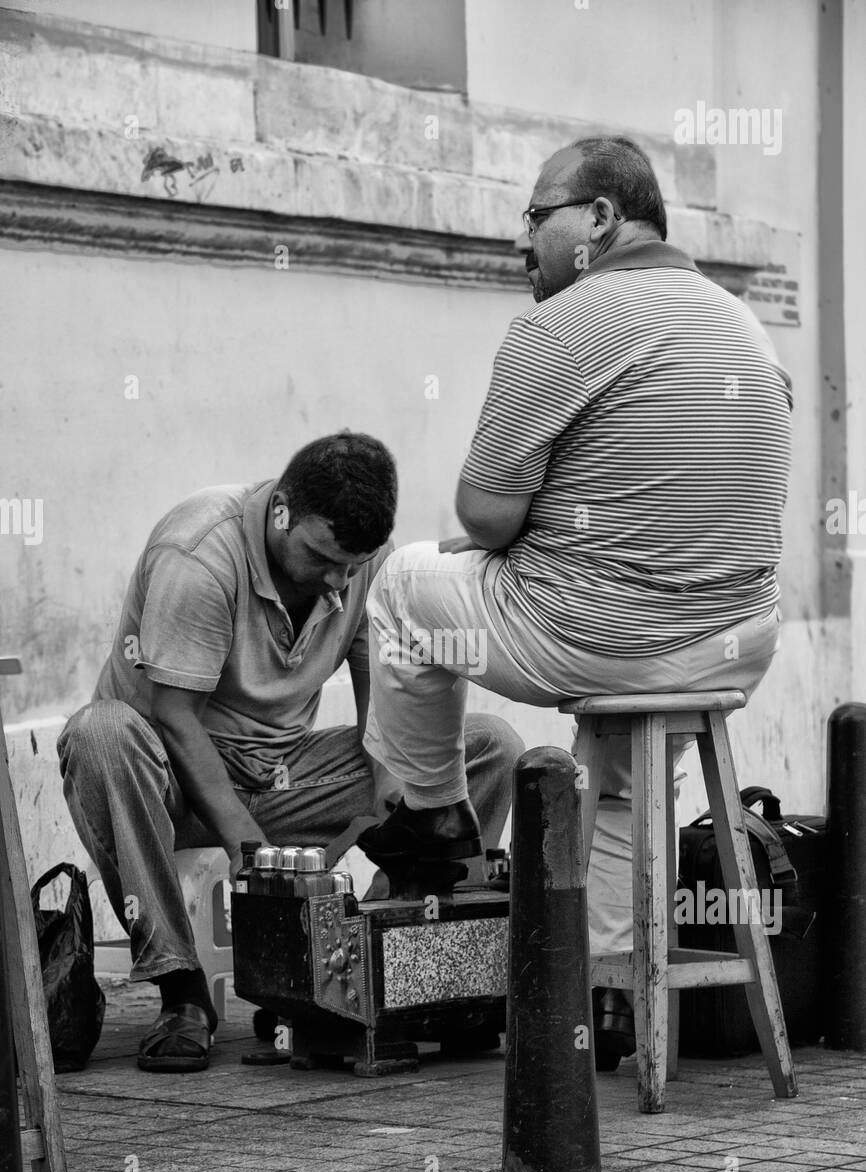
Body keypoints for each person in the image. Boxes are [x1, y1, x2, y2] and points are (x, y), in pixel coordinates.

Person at [358, 137, 793, 1068]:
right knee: (623, 780)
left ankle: (435, 818)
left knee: (400, 583)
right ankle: (608, 1013)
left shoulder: (562, 325)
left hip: (591, 635)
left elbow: (485, 513)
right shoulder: (744, 325)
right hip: (730, 645)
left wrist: (523, 527)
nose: (523, 241)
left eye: (535, 216)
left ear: (599, 218)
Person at [57, 432, 522, 1071]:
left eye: (351, 567)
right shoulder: (200, 554)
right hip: (169, 781)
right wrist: (257, 858)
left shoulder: (365, 562)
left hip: (285, 776)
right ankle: (182, 989)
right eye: (323, 557)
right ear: (281, 512)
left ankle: (351, 977)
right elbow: (174, 720)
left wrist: (395, 800)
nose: (337, 580)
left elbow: (386, 713)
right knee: (100, 734)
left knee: (490, 749)